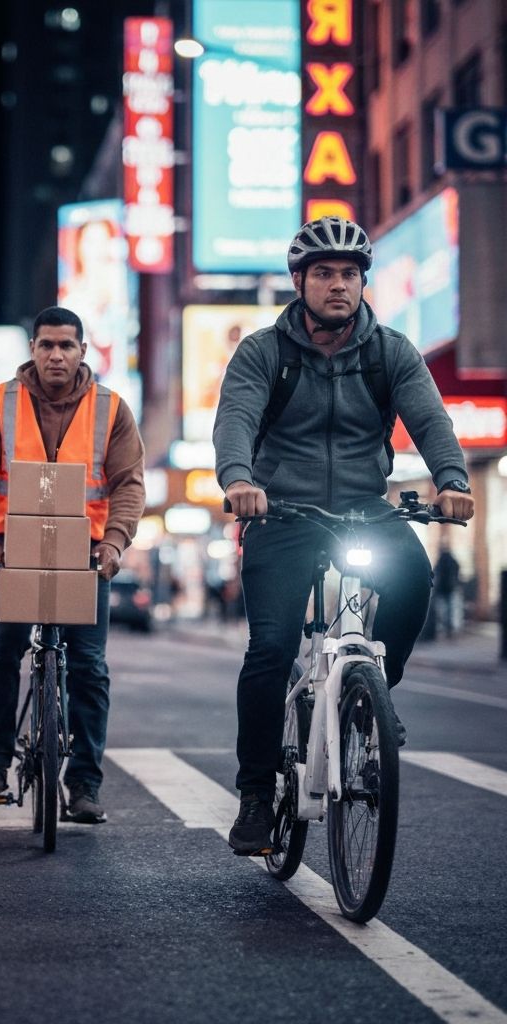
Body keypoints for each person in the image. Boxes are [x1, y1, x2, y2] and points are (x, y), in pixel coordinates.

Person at [213, 216, 475, 856]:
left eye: (350, 275)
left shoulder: (389, 350)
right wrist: (239, 479)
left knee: (414, 576)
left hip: (362, 504)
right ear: (299, 282)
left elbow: (429, 416)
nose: (339, 285)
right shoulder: (263, 352)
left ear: (363, 283)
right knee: (270, 650)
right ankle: (253, 793)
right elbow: (237, 419)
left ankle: (375, 692)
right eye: (324, 274)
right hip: (283, 511)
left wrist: (453, 479)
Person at [0, 305, 146, 823]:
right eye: (46, 345)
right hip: (12, 549)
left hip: (86, 555)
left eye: (66, 345)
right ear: (33, 350)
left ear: (83, 351)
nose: (56, 354)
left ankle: (84, 781)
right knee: (1, 647)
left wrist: (113, 543)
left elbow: (129, 482)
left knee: (89, 665)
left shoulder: (112, 408)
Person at [432, 541, 461, 637]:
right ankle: (449, 629)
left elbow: (436, 573)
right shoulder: (452, 560)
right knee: (449, 610)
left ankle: (447, 629)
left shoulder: (441, 560)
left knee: (443, 611)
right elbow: (457, 569)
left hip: (443, 589)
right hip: (449, 588)